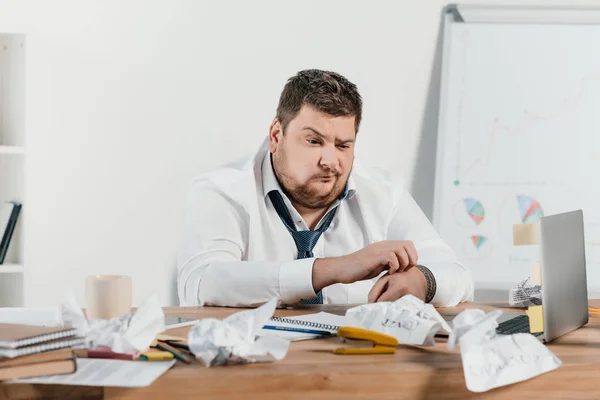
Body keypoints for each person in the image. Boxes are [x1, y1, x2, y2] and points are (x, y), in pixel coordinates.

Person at [177, 69, 473, 307]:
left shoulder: (384, 193)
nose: (330, 161)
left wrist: (423, 281)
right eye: (314, 141)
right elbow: (201, 283)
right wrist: (332, 269)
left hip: (352, 370)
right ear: (276, 135)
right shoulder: (221, 190)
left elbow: (457, 274)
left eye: (343, 145)